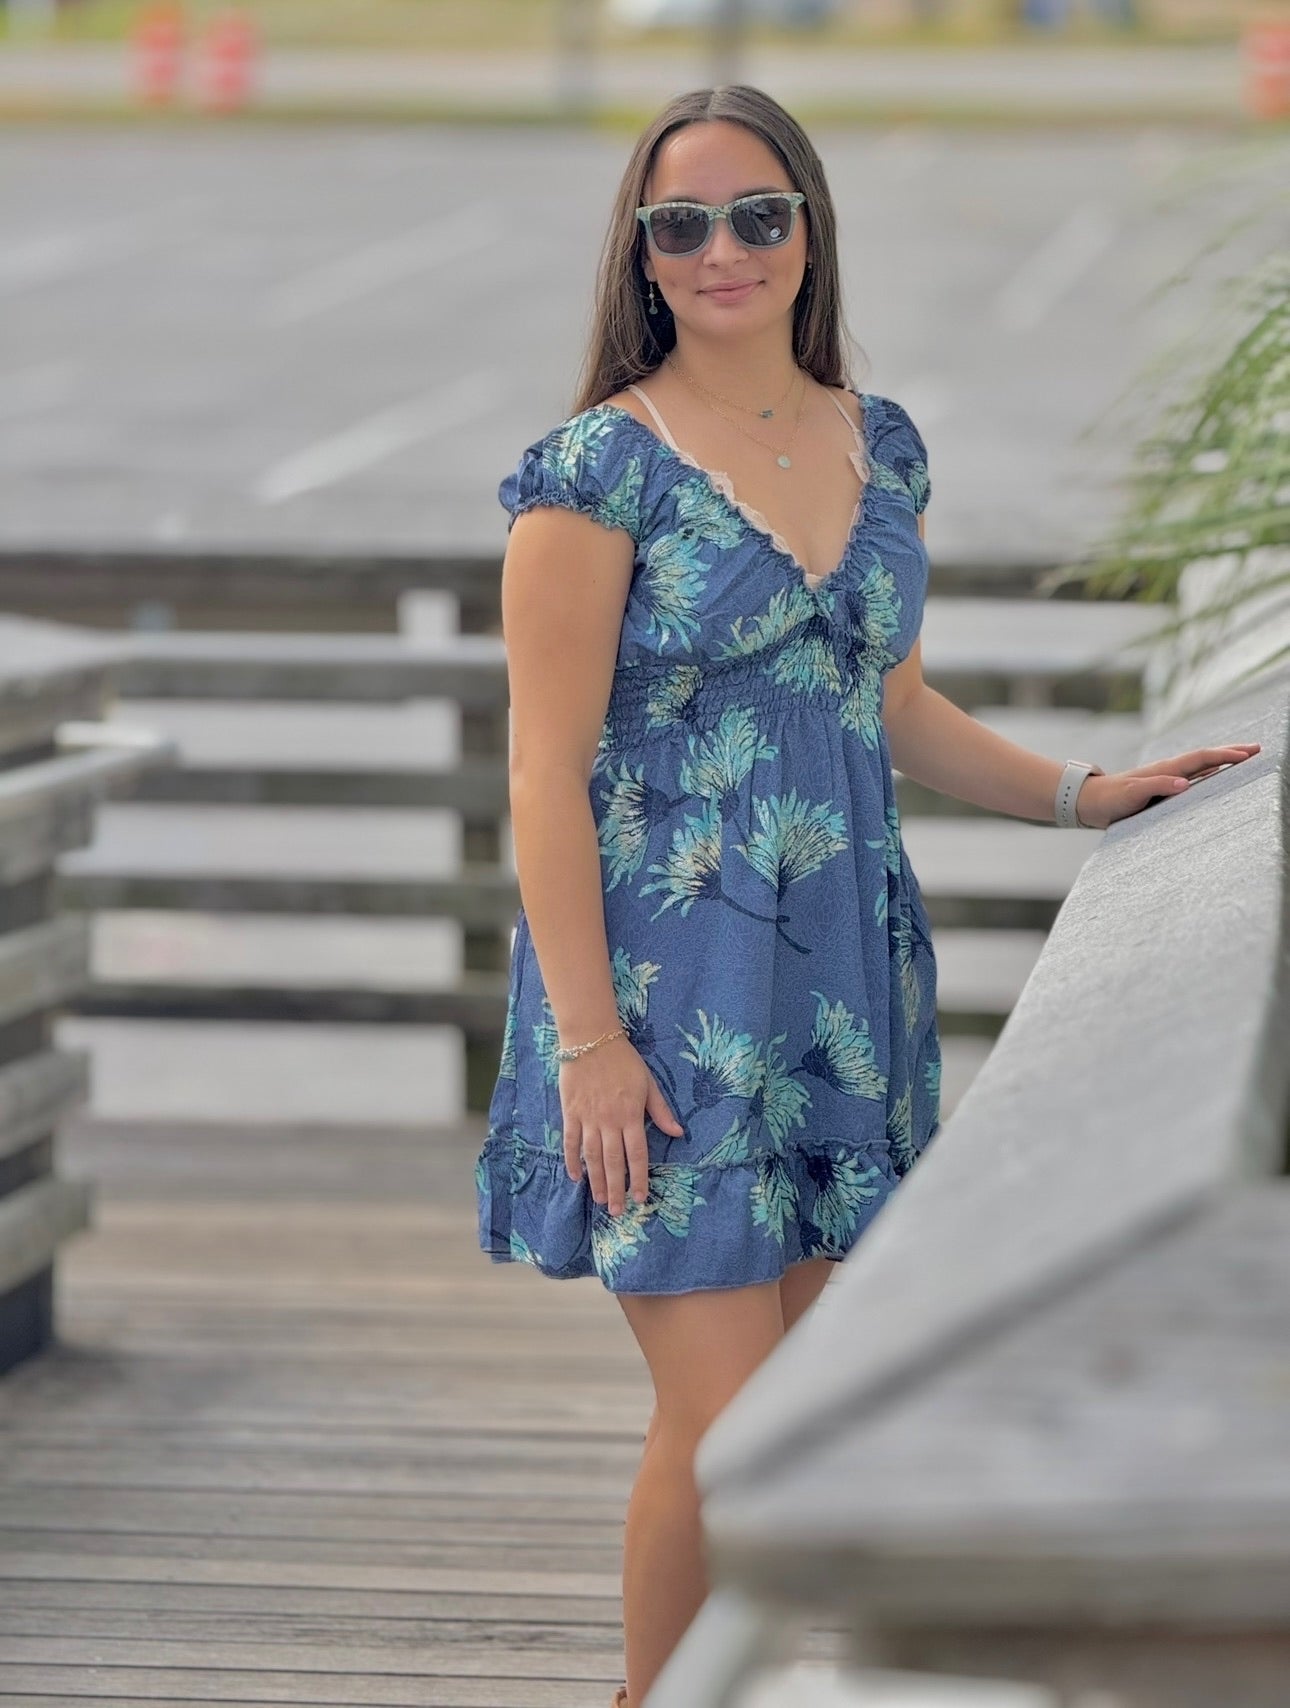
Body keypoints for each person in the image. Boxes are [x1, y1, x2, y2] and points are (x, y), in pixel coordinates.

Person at [472, 84, 1260, 1708]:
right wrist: (587, 1042)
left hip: (838, 987)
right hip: (663, 999)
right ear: (639, 252)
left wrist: (1079, 795)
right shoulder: (593, 474)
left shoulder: (873, 440)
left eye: (757, 214)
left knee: (782, 1401)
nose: (722, 250)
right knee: (734, 1420)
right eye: (680, 223)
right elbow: (543, 774)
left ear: (808, 228)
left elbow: (885, 705)